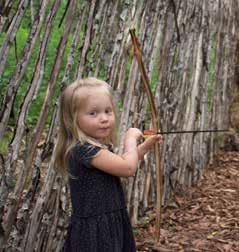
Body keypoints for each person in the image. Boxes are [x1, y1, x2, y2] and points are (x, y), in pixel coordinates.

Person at [53, 77, 161, 251]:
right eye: (93, 113)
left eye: (108, 111)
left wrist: (143, 148)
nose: (104, 118)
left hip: (108, 222)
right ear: (73, 119)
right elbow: (127, 167)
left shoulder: (92, 148)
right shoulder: (84, 151)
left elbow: (121, 163)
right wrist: (130, 139)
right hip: (96, 232)